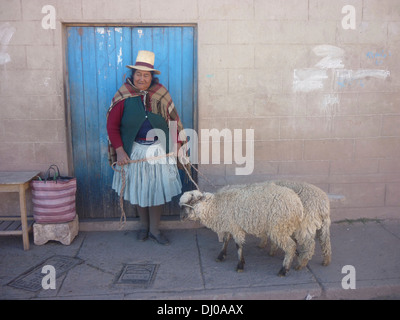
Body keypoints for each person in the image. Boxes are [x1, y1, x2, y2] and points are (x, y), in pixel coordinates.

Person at [106, 50, 187, 245]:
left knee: (157, 190)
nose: (142, 78)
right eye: (138, 74)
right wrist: (119, 150)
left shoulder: (161, 94)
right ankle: (143, 227)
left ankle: (155, 230)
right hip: (135, 151)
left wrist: (176, 144)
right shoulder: (123, 95)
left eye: (146, 75)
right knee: (140, 189)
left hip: (159, 150)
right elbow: (112, 125)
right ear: (132, 75)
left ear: (152, 77)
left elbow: (173, 120)